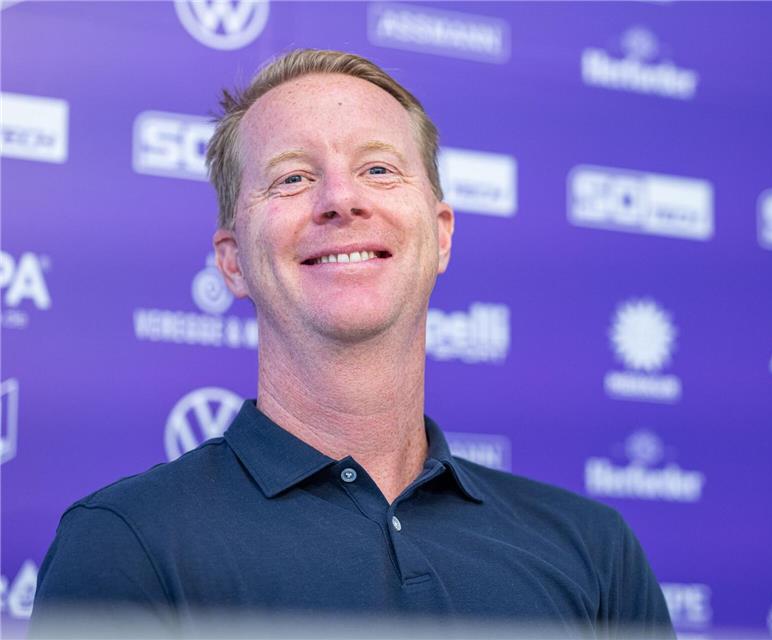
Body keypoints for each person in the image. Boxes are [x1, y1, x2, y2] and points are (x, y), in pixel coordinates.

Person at [30, 49, 675, 639]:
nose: (341, 199)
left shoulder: (595, 553)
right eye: (291, 178)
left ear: (442, 235)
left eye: (378, 168)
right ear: (232, 263)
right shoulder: (126, 544)